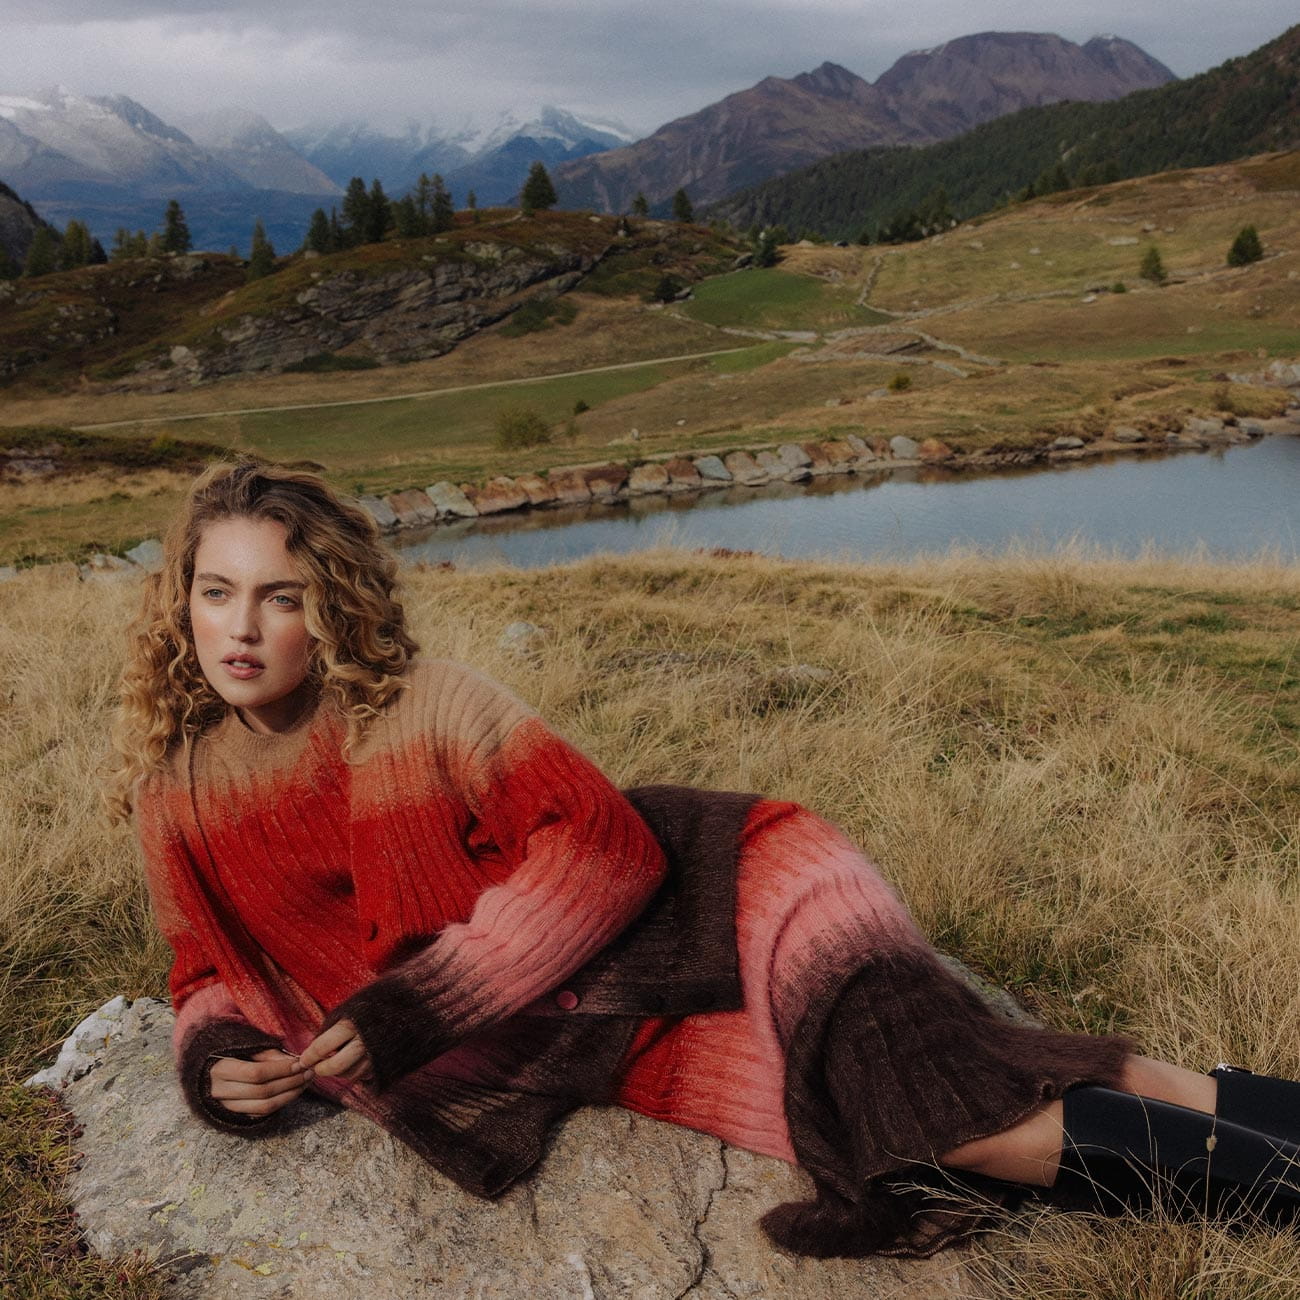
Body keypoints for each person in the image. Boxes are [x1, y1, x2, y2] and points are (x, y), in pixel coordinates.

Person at [108, 460, 1300, 1258]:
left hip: (722, 895)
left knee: (946, 1112)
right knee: (950, 1098)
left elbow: (606, 849)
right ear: (185, 603)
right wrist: (217, 1055)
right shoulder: (176, 794)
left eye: (280, 595)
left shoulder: (423, 705)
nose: (244, 627)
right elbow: (197, 969)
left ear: (330, 604)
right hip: (603, 1026)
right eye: (217, 593)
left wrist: (421, 1002)